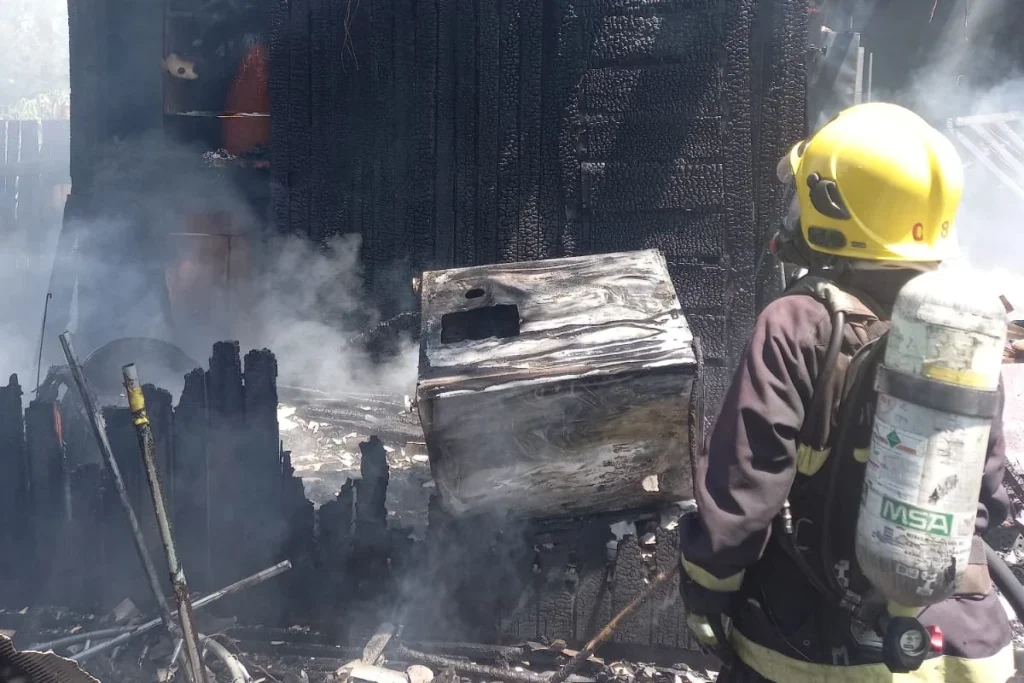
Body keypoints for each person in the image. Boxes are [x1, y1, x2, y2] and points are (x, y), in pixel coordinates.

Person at [677, 102, 1015, 682]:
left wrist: (707, 589)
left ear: (835, 209)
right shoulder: (965, 327)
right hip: (965, 650)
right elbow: (990, 495)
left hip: (822, 649)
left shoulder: (799, 322)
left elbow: (745, 490)